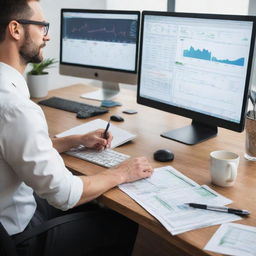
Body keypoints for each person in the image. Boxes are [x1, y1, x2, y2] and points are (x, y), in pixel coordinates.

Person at [0, 0, 153, 255]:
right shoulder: (16, 108)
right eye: (42, 26)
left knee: (97, 205)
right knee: (122, 219)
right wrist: (122, 172)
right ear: (15, 30)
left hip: (10, 210)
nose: (47, 37)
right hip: (17, 236)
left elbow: (13, 148)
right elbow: (64, 194)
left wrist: (73, 140)